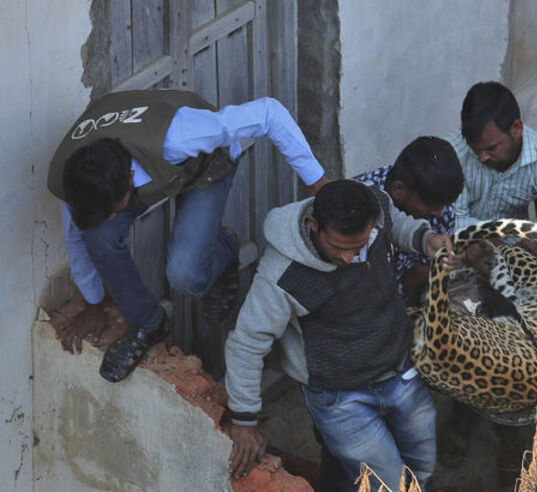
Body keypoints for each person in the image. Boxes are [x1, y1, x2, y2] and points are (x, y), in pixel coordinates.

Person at [47, 89, 328, 383]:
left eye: (112, 210)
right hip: (140, 162)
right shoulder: (75, 179)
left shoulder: (183, 135)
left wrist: (318, 183)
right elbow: (76, 237)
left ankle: (226, 248)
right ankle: (147, 323)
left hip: (204, 168)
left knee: (186, 275)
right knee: (98, 235)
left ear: (130, 179)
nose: (110, 218)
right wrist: (93, 304)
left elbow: (269, 113)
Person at [224, 179, 459, 490]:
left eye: (358, 247)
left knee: (421, 469)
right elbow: (247, 343)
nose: (348, 259)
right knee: (390, 486)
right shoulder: (283, 274)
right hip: (340, 399)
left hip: (400, 373)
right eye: (338, 247)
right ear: (314, 225)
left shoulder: (377, 206)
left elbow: (397, 224)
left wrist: (425, 239)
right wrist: (244, 419)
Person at [447, 81, 537, 231]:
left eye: (491, 148)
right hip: (465, 241)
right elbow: (452, 222)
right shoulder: (452, 154)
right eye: (475, 150)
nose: (482, 158)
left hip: (517, 241)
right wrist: (505, 232)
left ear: (517, 128)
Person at [353, 136, 464, 301]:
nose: (439, 212)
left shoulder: (440, 209)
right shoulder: (359, 204)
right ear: (398, 190)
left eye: (442, 205)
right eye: (430, 205)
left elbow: (421, 272)